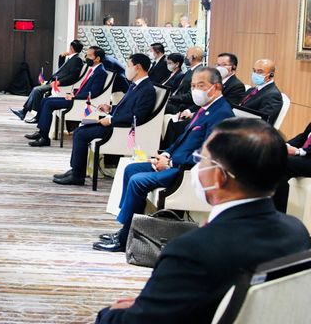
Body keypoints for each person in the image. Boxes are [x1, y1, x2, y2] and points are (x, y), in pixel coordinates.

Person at [25, 118, 310, 324]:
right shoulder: (295, 232)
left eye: (202, 159)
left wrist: (110, 314)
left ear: (219, 177)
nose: (197, 168)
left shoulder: (193, 250)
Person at [94, 67, 235, 251]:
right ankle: (128, 227)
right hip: (174, 163)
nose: (195, 90)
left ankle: (124, 238)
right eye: (193, 86)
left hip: (185, 171)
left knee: (138, 181)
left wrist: (170, 163)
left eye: (201, 85)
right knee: (131, 169)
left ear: (216, 87)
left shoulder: (221, 113)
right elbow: (182, 140)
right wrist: (166, 154)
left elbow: (208, 154)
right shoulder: (205, 109)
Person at [53, 53, 156, 186]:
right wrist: (110, 109)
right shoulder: (135, 85)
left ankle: (78, 176)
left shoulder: (147, 89)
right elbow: (126, 108)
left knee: (81, 134)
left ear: (138, 67)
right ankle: (76, 170)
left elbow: (137, 116)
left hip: (121, 129)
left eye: (129, 65)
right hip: (116, 122)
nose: (126, 68)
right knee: (80, 130)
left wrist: (112, 120)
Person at [26, 46, 107, 147]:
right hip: (76, 98)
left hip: (80, 102)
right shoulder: (93, 69)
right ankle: (42, 132)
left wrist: (75, 97)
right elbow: (85, 88)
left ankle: (44, 138)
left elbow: (94, 93)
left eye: (89, 55)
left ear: (97, 59)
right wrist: (74, 93)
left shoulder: (101, 72)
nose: (86, 57)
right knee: (45, 100)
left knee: (48, 103)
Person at [163, 52, 247, 147]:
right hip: (200, 112)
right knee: (173, 122)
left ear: (233, 67)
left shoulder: (236, 85)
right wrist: (189, 110)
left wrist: (194, 114)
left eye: (223, 65)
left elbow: (226, 107)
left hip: (213, 118)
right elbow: (203, 100)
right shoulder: (213, 80)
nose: (219, 67)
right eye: (218, 65)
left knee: (179, 126)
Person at [10, 40, 84, 122]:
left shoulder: (77, 59)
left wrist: (59, 82)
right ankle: (24, 112)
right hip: (55, 81)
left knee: (36, 90)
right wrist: (61, 57)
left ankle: (33, 115)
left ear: (72, 48)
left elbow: (72, 76)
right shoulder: (73, 58)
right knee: (36, 90)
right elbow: (62, 69)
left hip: (59, 84)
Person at [273, 122, 311, 212]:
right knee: (274, 159)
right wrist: (284, 145)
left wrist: (299, 151)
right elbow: (303, 137)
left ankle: (278, 213)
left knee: (282, 161)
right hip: (306, 156)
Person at [238, 58, 283, 124]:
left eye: (260, 72)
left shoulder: (273, 95)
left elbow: (263, 122)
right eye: (254, 70)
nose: (255, 74)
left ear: (271, 75)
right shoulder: (252, 90)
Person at [165, 46, 204, 114]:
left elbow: (191, 95)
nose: (186, 57)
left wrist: (172, 97)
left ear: (193, 57)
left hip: (181, 106)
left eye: (187, 55)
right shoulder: (191, 70)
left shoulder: (199, 72)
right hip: (177, 101)